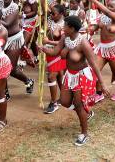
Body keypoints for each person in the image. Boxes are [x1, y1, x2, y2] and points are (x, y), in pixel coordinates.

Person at [39, 15, 109, 146]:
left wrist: (102, 84)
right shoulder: (65, 38)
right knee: (64, 102)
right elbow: (54, 52)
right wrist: (43, 49)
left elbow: (94, 64)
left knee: (79, 106)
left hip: (81, 77)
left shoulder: (83, 43)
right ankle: (85, 112)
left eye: (65, 26)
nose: (62, 28)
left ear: (72, 28)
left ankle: (84, 133)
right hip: (69, 75)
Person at [87, 0, 115, 102]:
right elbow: (97, 26)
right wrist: (91, 30)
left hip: (114, 49)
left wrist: (94, 0)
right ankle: (99, 93)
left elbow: (108, 12)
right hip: (103, 48)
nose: (109, 8)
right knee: (96, 70)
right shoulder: (103, 16)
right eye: (108, 5)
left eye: (111, 6)